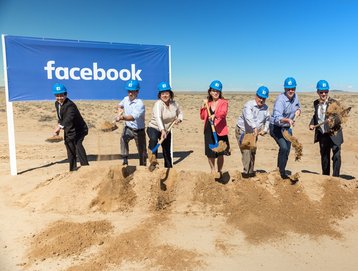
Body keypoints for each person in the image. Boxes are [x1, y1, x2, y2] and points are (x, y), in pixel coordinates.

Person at [309, 80, 343, 177]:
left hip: (334, 134)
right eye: (321, 92)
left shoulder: (334, 103)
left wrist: (333, 120)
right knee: (324, 157)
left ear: (328, 91)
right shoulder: (316, 103)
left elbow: (340, 117)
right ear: (317, 92)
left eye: (326, 91)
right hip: (322, 134)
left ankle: (336, 177)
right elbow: (315, 116)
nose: (323, 94)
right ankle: (325, 177)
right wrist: (312, 124)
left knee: (336, 156)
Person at [52, 83, 89, 171]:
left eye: (61, 95)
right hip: (69, 129)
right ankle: (72, 169)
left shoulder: (70, 105)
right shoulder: (57, 104)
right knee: (69, 147)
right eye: (57, 95)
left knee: (77, 144)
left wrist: (59, 127)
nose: (59, 97)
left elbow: (69, 118)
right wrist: (59, 127)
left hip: (79, 130)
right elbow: (61, 117)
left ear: (66, 94)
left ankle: (85, 167)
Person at [147, 81, 183, 171]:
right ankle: (153, 162)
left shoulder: (174, 104)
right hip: (154, 128)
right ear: (159, 95)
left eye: (167, 93)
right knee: (154, 140)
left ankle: (169, 168)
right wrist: (162, 130)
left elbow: (180, 113)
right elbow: (158, 117)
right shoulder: (158, 104)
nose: (165, 95)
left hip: (167, 130)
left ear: (170, 94)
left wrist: (179, 119)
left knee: (167, 149)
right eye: (162, 93)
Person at [269, 77, 301, 179]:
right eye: (288, 89)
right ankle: (279, 173)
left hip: (287, 128)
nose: (291, 91)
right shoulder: (280, 100)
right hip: (276, 127)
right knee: (283, 147)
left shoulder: (295, 97)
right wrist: (288, 120)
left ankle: (281, 171)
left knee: (287, 150)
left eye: (293, 88)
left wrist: (298, 111)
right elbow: (277, 118)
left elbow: (298, 107)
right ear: (285, 89)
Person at [235, 86, 270, 177]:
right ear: (256, 95)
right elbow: (248, 117)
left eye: (263, 98)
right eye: (260, 97)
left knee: (252, 152)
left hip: (254, 134)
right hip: (243, 131)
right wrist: (255, 127)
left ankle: (250, 172)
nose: (261, 100)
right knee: (246, 151)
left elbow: (268, 120)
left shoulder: (266, 108)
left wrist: (265, 130)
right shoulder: (248, 105)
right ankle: (246, 174)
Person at [200, 80, 230, 176]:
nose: (215, 92)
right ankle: (213, 170)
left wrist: (215, 115)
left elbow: (223, 113)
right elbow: (202, 117)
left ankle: (219, 170)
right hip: (209, 130)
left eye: (217, 91)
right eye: (213, 90)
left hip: (220, 130)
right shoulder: (207, 104)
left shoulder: (223, 102)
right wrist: (203, 107)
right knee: (210, 153)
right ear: (210, 91)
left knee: (220, 153)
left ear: (220, 92)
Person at [116, 79, 147, 166]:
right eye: (129, 91)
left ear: (137, 92)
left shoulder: (139, 103)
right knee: (123, 139)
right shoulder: (125, 99)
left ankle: (143, 165)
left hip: (139, 130)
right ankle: (125, 160)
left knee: (142, 150)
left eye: (132, 91)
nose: (130, 93)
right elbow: (119, 105)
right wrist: (119, 110)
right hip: (128, 128)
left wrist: (121, 117)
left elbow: (132, 117)